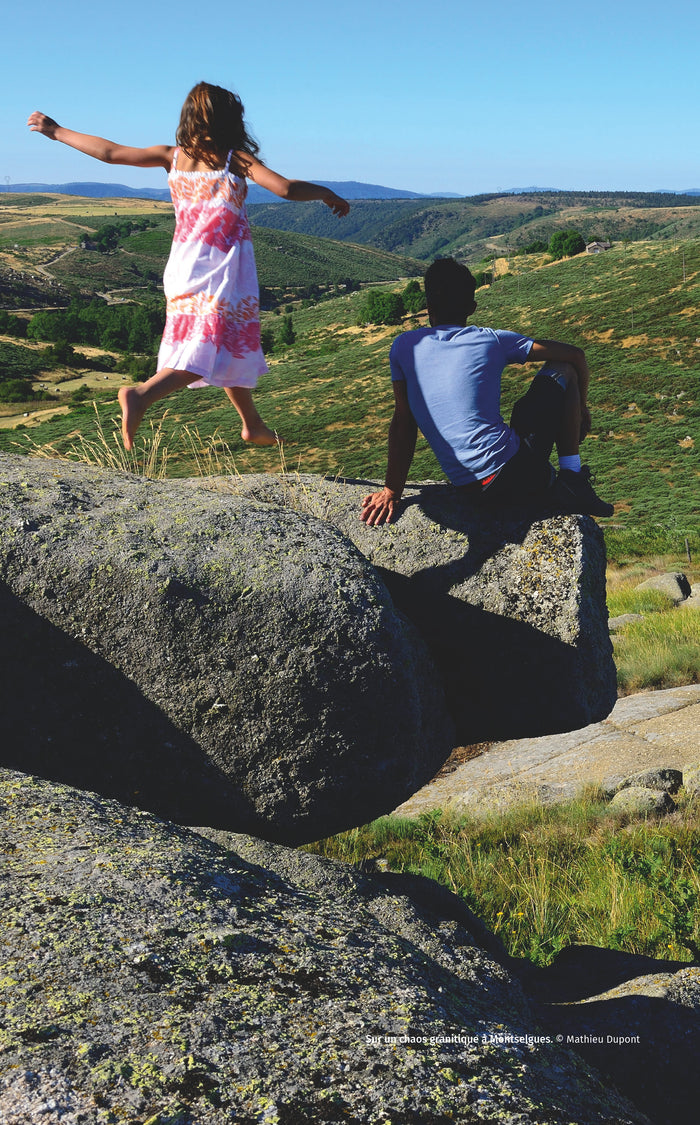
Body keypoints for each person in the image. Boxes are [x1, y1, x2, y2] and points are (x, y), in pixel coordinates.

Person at [28, 83, 349, 451]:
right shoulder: (236, 160)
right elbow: (286, 189)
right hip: (221, 269)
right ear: (231, 120)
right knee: (203, 352)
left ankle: (252, 424)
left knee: (228, 342)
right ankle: (142, 394)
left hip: (182, 266)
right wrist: (327, 193)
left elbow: (111, 153)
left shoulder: (172, 156)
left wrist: (56, 131)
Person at [360, 257, 613, 526]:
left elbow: (404, 422)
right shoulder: (490, 339)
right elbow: (575, 356)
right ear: (471, 307)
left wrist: (391, 491)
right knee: (563, 369)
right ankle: (572, 478)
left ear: (428, 304)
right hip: (519, 476)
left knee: (521, 412)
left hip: (471, 490)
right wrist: (581, 409)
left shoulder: (403, 346)